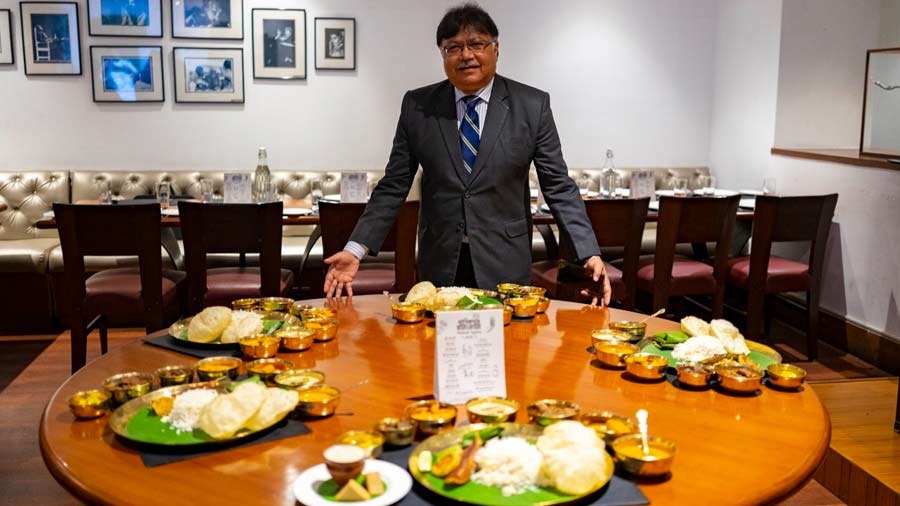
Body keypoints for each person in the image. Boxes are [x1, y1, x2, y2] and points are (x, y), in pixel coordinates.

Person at [323, 3, 611, 306]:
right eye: (453, 48)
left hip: (505, 259)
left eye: (476, 44)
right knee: (436, 347)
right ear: (443, 55)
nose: (466, 55)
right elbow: (394, 184)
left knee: (509, 348)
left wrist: (587, 252)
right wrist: (356, 248)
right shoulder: (418, 106)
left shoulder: (532, 105)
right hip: (441, 261)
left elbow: (559, 186)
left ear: (496, 49)